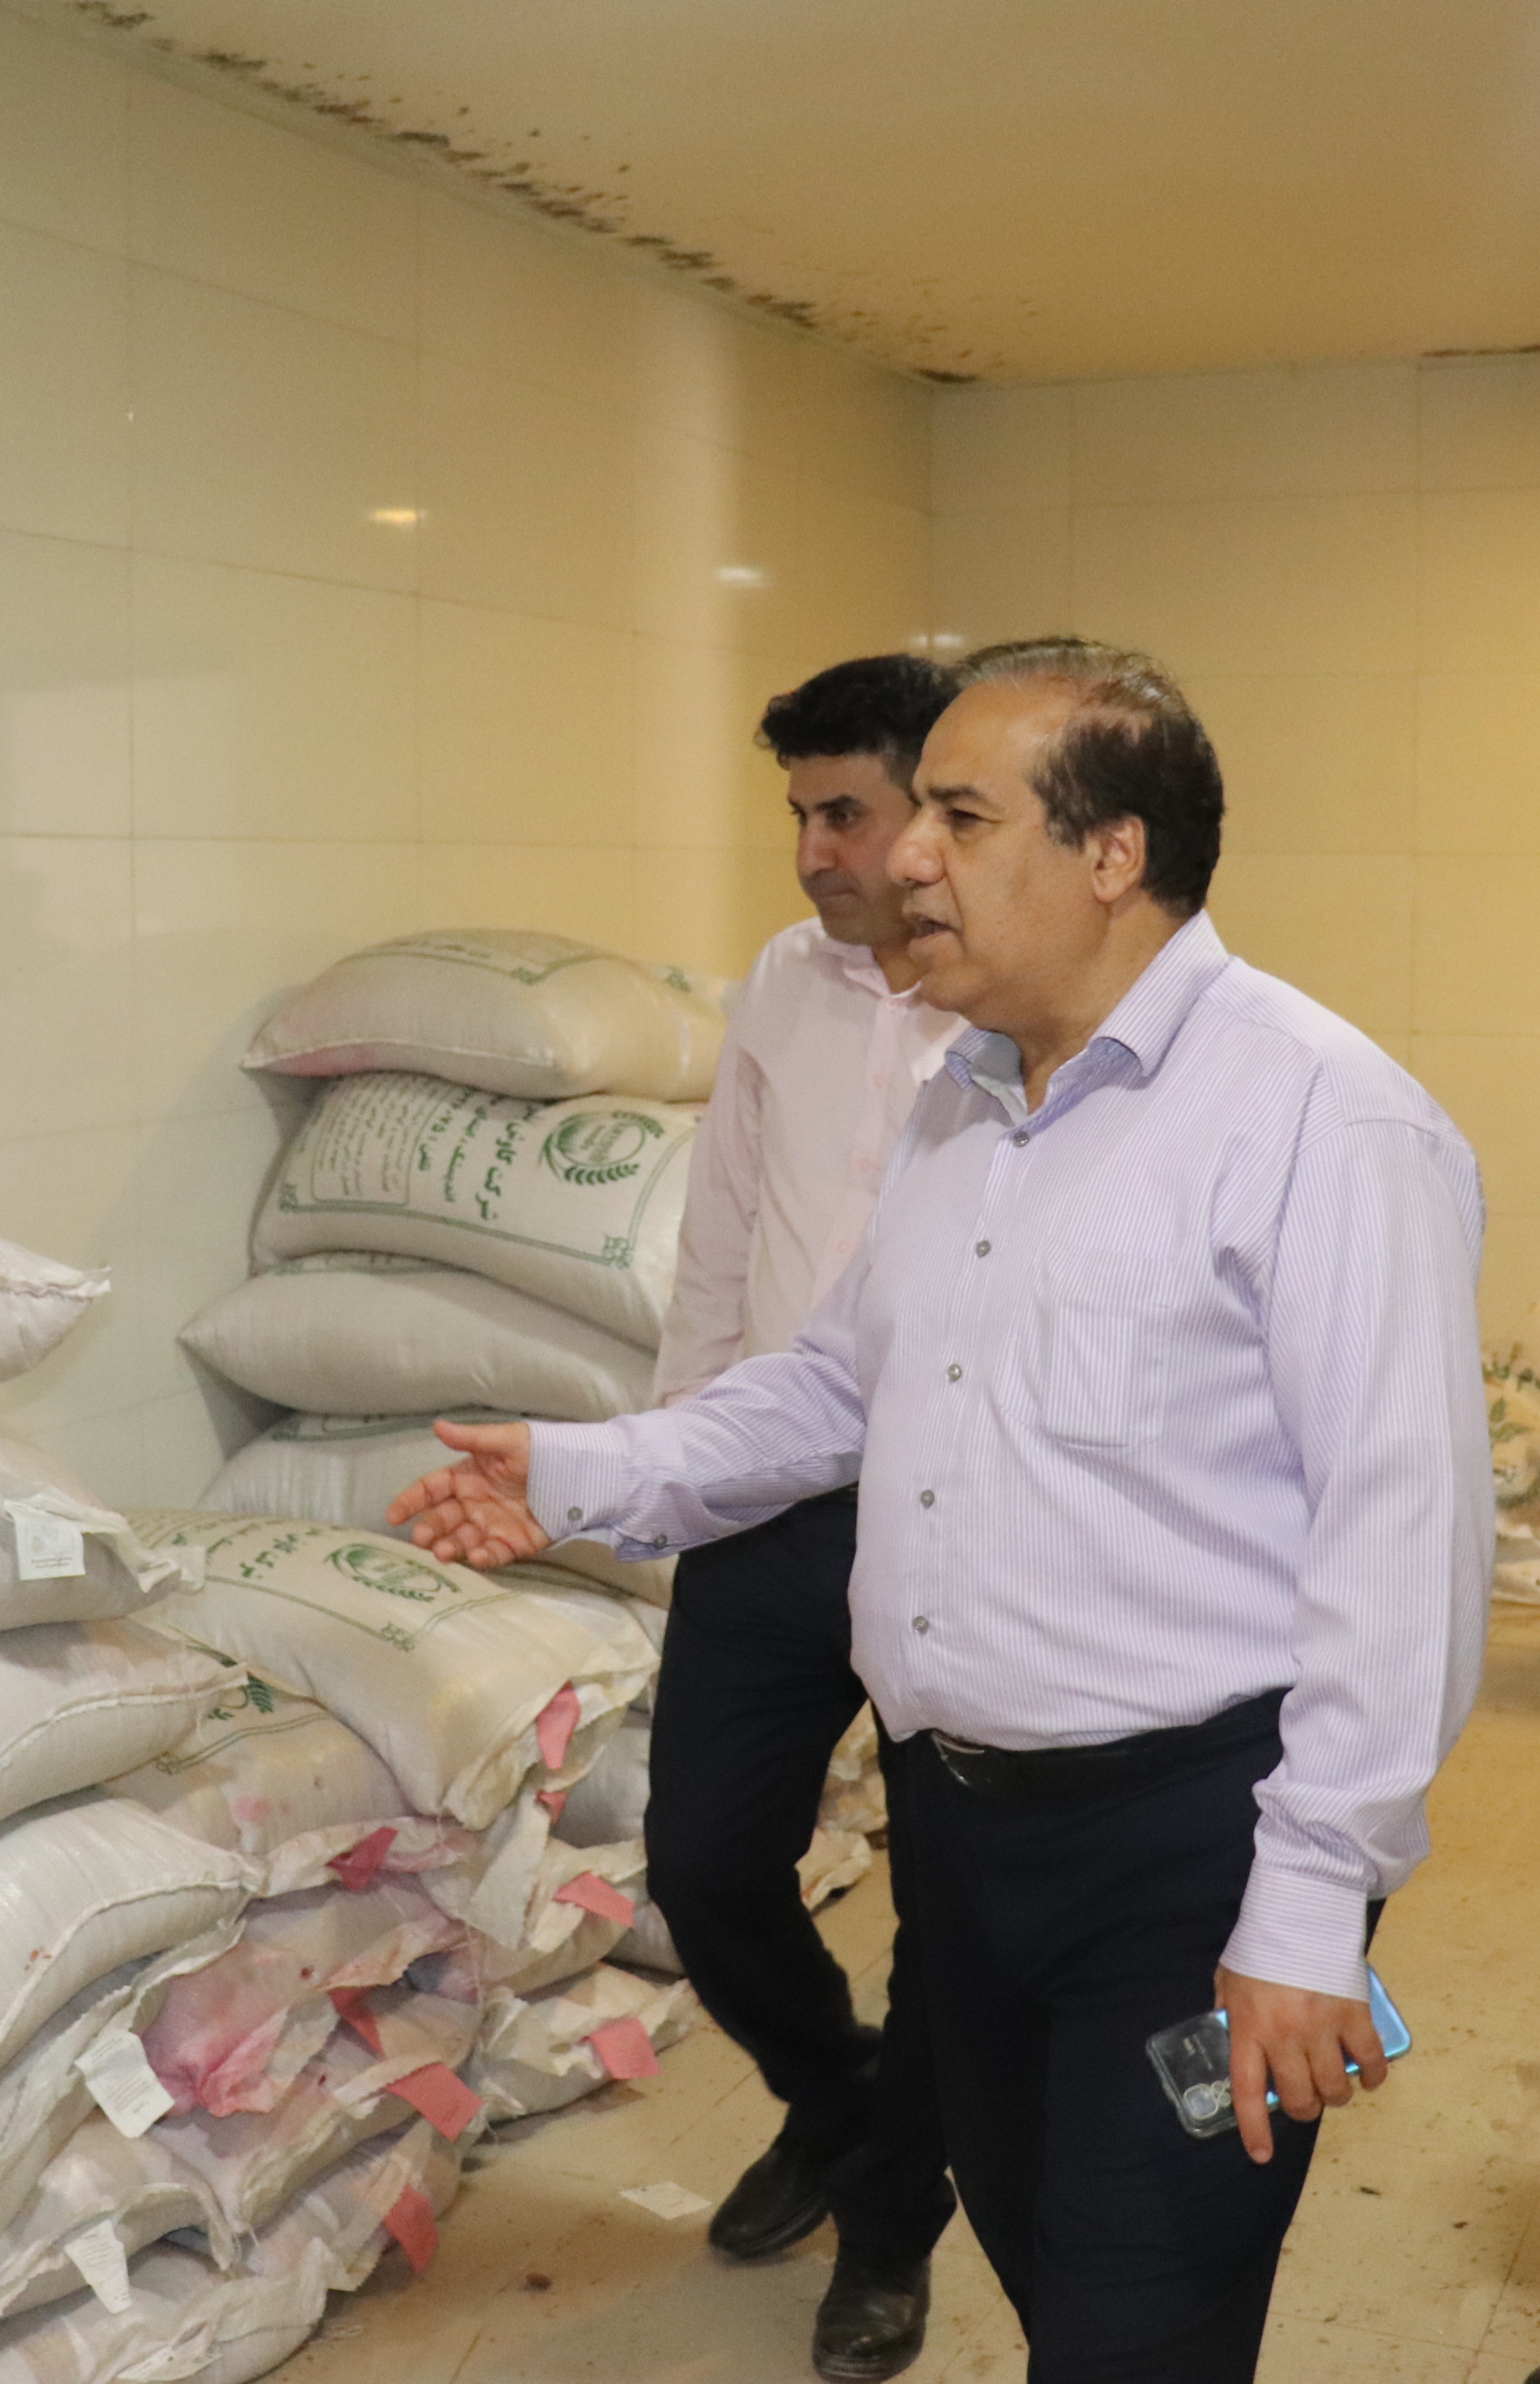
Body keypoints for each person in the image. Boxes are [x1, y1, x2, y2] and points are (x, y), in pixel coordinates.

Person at [392, 636, 1492, 2383]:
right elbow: (837, 1386)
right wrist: (585, 1470)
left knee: (1139, 2319)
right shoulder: (963, 1098)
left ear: (1112, 851)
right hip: (966, 1843)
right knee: (1049, 2256)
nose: (904, 855)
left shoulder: (1321, 1117)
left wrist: (1305, 1909)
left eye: (959, 818)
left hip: (1193, 1856)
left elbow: (1402, 1540)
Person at [643, 653, 967, 2380]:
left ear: (936, 812)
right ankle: (835, 2102)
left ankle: (892, 2225)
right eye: (796, 813)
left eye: (842, 812)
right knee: (701, 1862)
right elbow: (717, 1228)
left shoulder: (1015, 1005)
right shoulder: (779, 981)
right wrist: (679, 1455)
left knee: (950, 1914)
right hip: (768, 1502)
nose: (810, 852)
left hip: (952, 1523)